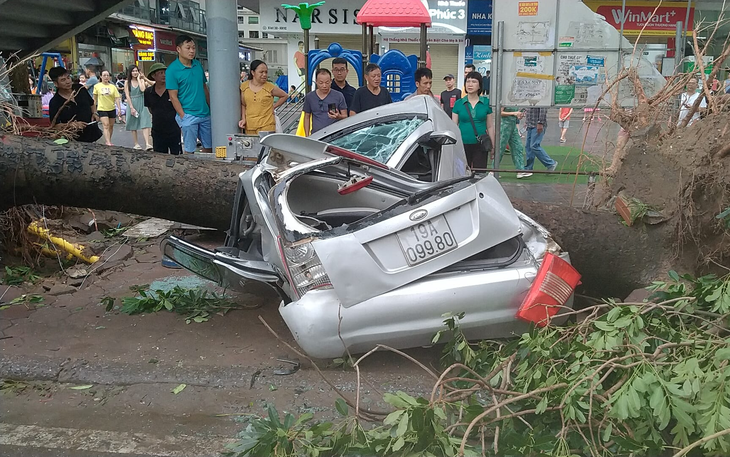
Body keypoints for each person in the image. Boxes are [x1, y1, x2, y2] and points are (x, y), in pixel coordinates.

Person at [166, 34, 212, 153]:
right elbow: (173, 96)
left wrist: (211, 107)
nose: (192, 51)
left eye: (193, 48)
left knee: (209, 147)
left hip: (205, 113)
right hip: (188, 114)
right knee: (190, 149)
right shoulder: (172, 70)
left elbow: (204, 87)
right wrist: (183, 116)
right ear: (178, 49)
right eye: (188, 48)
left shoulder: (197, 65)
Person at [451, 71, 495, 170]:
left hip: (481, 144)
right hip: (462, 144)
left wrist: (492, 145)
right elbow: (454, 126)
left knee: (479, 173)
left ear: (480, 85)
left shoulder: (486, 103)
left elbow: (490, 126)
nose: (470, 84)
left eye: (474, 82)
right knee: (461, 173)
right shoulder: (459, 103)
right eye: (468, 81)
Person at [47, 67, 102, 143]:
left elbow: (91, 103)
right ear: (56, 83)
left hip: (93, 134)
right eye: (63, 80)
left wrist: (95, 113)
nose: (68, 81)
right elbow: (55, 125)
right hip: (72, 140)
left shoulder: (80, 89)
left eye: (68, 78)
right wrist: (71, 125)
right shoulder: (55, 102)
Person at [238, 59, 288, 135]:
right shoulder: (244, 86)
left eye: (266, 72)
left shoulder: (269, 87)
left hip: (267, 125)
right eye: (261, 72)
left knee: (265, 147)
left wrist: (274, 107)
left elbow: (284, 96)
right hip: (250, 126)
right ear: (253, 72)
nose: (264, 74)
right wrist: (243, 119)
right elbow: (243, 104)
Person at [144, 63, 182, 155]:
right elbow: (150, 109)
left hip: (174, 129)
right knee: (159, 158)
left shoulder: (173, 90)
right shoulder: (148, 92)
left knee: (177, 157)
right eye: (161, 73)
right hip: (158, 131)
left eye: (165, 72)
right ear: (153, 75)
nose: (164, 75)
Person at [303, 68, 347, 136]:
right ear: (316, 82)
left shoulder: (338, 96)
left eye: (327, 82)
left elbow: (345, 116)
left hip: (334, 135)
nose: (324, 86)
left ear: (331, 81)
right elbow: (307, 117)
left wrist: (339, 116)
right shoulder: (310, 97)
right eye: (321, 83)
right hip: (316, 135)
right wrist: (307, 136)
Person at [124, 65, 153, 150]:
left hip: (142, 101)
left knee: (145, 122)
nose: (135, 73)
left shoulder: (141, 80)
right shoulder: (127, 82)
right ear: (130, 72)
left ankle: (147, 143)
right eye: (133, 71)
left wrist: (139, 79)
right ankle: (136, 143)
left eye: (136, 71)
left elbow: (143, 89)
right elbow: (127, 95)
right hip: (132, 102)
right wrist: (131, 107)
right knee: (133, 123)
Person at [93, 70, 122, 146]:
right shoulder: (97, 86)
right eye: (104, 75)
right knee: (106, 125)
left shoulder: (113, 87)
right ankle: (108, 142)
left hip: (111, 108)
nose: (106, 77)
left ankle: (108, 139)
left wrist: (119, 108)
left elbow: (117, 98)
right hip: (102, 108)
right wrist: (94, 110)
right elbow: (94, 99)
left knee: (111, 125)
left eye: (107, 75)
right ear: (101, 77)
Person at [524, 107, 557, 172]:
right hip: (530, 124)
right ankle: (528, 168)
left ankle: (550, 163)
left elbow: (543, 109)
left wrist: (540, 122)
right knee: (528, 147)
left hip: (537, 124)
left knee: (534, 146)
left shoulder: (541, 98)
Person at [500, 107, 530, 178]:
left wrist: (519, 114)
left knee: (518, 146)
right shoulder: (505, 99)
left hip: (513, 126)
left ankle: (520, 170)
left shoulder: (514, 102)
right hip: (505, 126)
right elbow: (500, 112)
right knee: (501, 147)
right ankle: (493, 170)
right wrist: (514, 113)